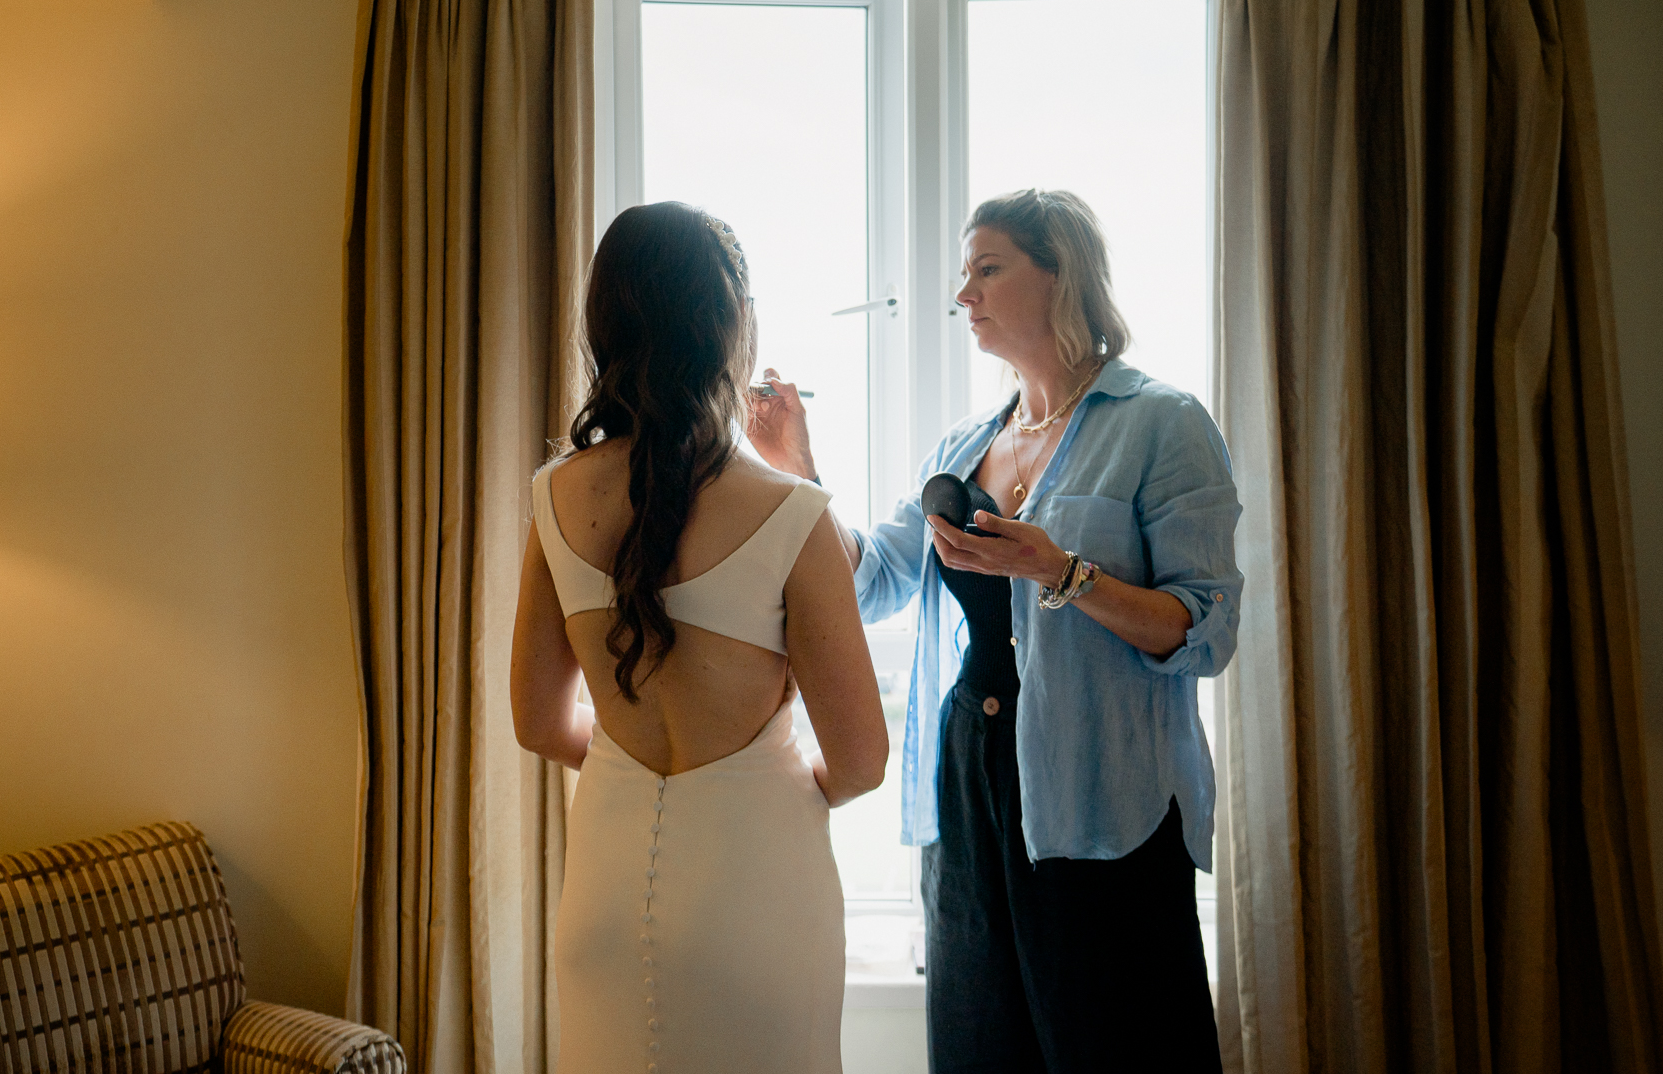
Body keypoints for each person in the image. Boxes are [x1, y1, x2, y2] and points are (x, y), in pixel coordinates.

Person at [748, 188, 1239, 1073]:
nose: (962, 293)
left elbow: (1204, 630)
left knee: (1119, 1042)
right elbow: (869, 581)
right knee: (983, 1046)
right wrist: (798, 470)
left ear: (1060, 275)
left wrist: (1061, 571)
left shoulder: (1163, 424)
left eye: (986, 269)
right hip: (971, 795)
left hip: (1104, 801)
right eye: (960, 275)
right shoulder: (963, 446)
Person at [511, 200, 889, 1074]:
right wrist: (751, 786)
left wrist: (627, 768)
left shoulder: (554, 497)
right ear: (730, 328)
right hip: (752, 891)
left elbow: (537, 722)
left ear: (603, 325)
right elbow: (861, 761)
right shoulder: (794, 516)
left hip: (603, 887)